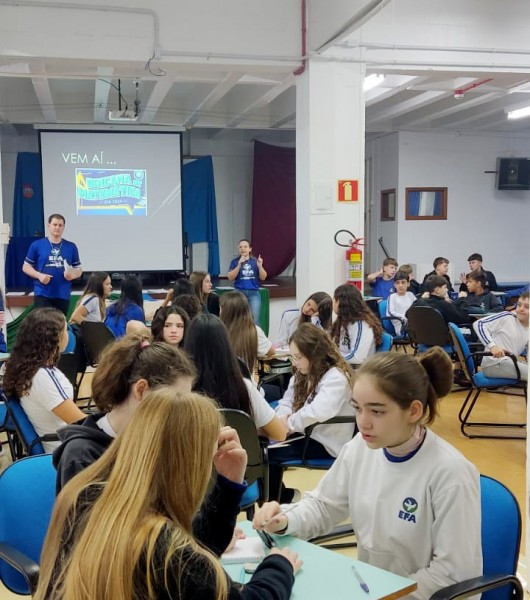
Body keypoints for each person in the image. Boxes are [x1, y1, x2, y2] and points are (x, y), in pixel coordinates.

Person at [254, 349, 482, 600]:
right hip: (375, 590)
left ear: (414, 411)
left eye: (377, 411)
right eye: (358, 408)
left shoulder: (451, 474)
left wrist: (388, 595)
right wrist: (286, 519)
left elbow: (452, 576)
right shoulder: (360, 448)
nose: (362, 422)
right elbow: (324, 506)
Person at [36, 388, 300, 600]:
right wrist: (278, 566)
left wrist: (228, 485)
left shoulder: (85, 495)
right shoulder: (163, 548)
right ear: (190, 467)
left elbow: (193, 562)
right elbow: (198, 572)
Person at [53, 334, 196, 492]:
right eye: (176, 401)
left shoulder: (157, 440)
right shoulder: (81, 455)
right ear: (141, 390)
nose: (181, 413)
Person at [270, 323, 356, 503]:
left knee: (267, 453)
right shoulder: (303, 373)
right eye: (293, 357)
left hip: (324, 443)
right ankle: (281, 497)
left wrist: (288, 425)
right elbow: (287, 401)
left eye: (298, 357)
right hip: (305, 434)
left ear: (314, 354)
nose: (294, 363)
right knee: (261, 445)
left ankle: (282, 499)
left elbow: (317, 412)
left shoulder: (336, 377)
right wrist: (281, 418)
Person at [184, 313, 287, 442]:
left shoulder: (180, 392)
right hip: (240, 453)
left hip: (195, 454)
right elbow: (280, 434)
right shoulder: (242, 387)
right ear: (226, 346)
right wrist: (249, 429)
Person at [3, 308, 86, 452]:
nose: (69, 335)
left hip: (61, 442)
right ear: (56, 338)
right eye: (66, 330)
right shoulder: (43, 377)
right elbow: (80, 422)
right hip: (66, 449)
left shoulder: (26, 368)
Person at [22, 214, 82, 316]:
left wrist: (72, 275)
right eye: (55, 224)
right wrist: (39, 276)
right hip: (43, 293)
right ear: (48, 225)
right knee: (43, 323)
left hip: (62, 293)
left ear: (64, 227)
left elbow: (78, 269)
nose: (57, 228)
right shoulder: (37, 245)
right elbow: (25, 267)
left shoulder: (71, 246)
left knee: (60, 323)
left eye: (60, 225)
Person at [473, 291, 528, 381]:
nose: (521, 309)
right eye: (519, 305)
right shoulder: (508, 317)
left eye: (527, 307)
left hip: (510, 362)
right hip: (494, 364)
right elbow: (479, 324)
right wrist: (492, 346)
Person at [220, 290, 274, 375]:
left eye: (220, 308)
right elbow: (271, 352)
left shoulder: (218, 330)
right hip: (246, 380)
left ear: (227, 312)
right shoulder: (254, 331)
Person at [331, 284, 383, 365]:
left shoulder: (361, 325)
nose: (333, 302)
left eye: (334, 299)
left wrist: (332, 360)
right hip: (345, 365)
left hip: (358, 369)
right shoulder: (343, 321)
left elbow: (357, 358)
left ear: (339, 302)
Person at [227, 239, 267, 324]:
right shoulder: (235, 262)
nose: (243, 249)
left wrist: (260, 266)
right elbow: (230, 277)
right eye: (240, 247)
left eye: (245, 247)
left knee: (254, 320)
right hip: (239, 293)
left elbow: (263, 277)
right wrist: (239, 265)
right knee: (237, 320)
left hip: (253, 293)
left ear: (250, 249)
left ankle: (254, 333)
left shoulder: (255, 261)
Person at [386, 271, 416, 335]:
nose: (400, 285)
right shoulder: (392, 297)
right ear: (394, 285)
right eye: (397, 283)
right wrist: (404, 317)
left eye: (403, 282)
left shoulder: (410, 295)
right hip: (402, 327)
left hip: (413, 323)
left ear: (408, 284)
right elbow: (390, 313)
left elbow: (417, 308)